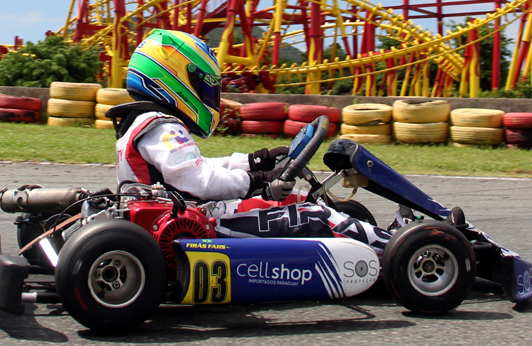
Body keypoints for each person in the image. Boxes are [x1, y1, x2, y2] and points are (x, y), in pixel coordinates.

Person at [105, 29, 393, 253]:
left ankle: (377, 244)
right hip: (202, 223)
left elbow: (195, 168)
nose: (210, 97)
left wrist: (258, 160)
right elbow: (203, 182)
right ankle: (398, 249)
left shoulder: (144, 123)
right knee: (311, 215)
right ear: (175, 79)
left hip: (182, 215)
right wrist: (263, 181)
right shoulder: (163, 127)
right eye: (206, 87)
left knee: (299, 201)